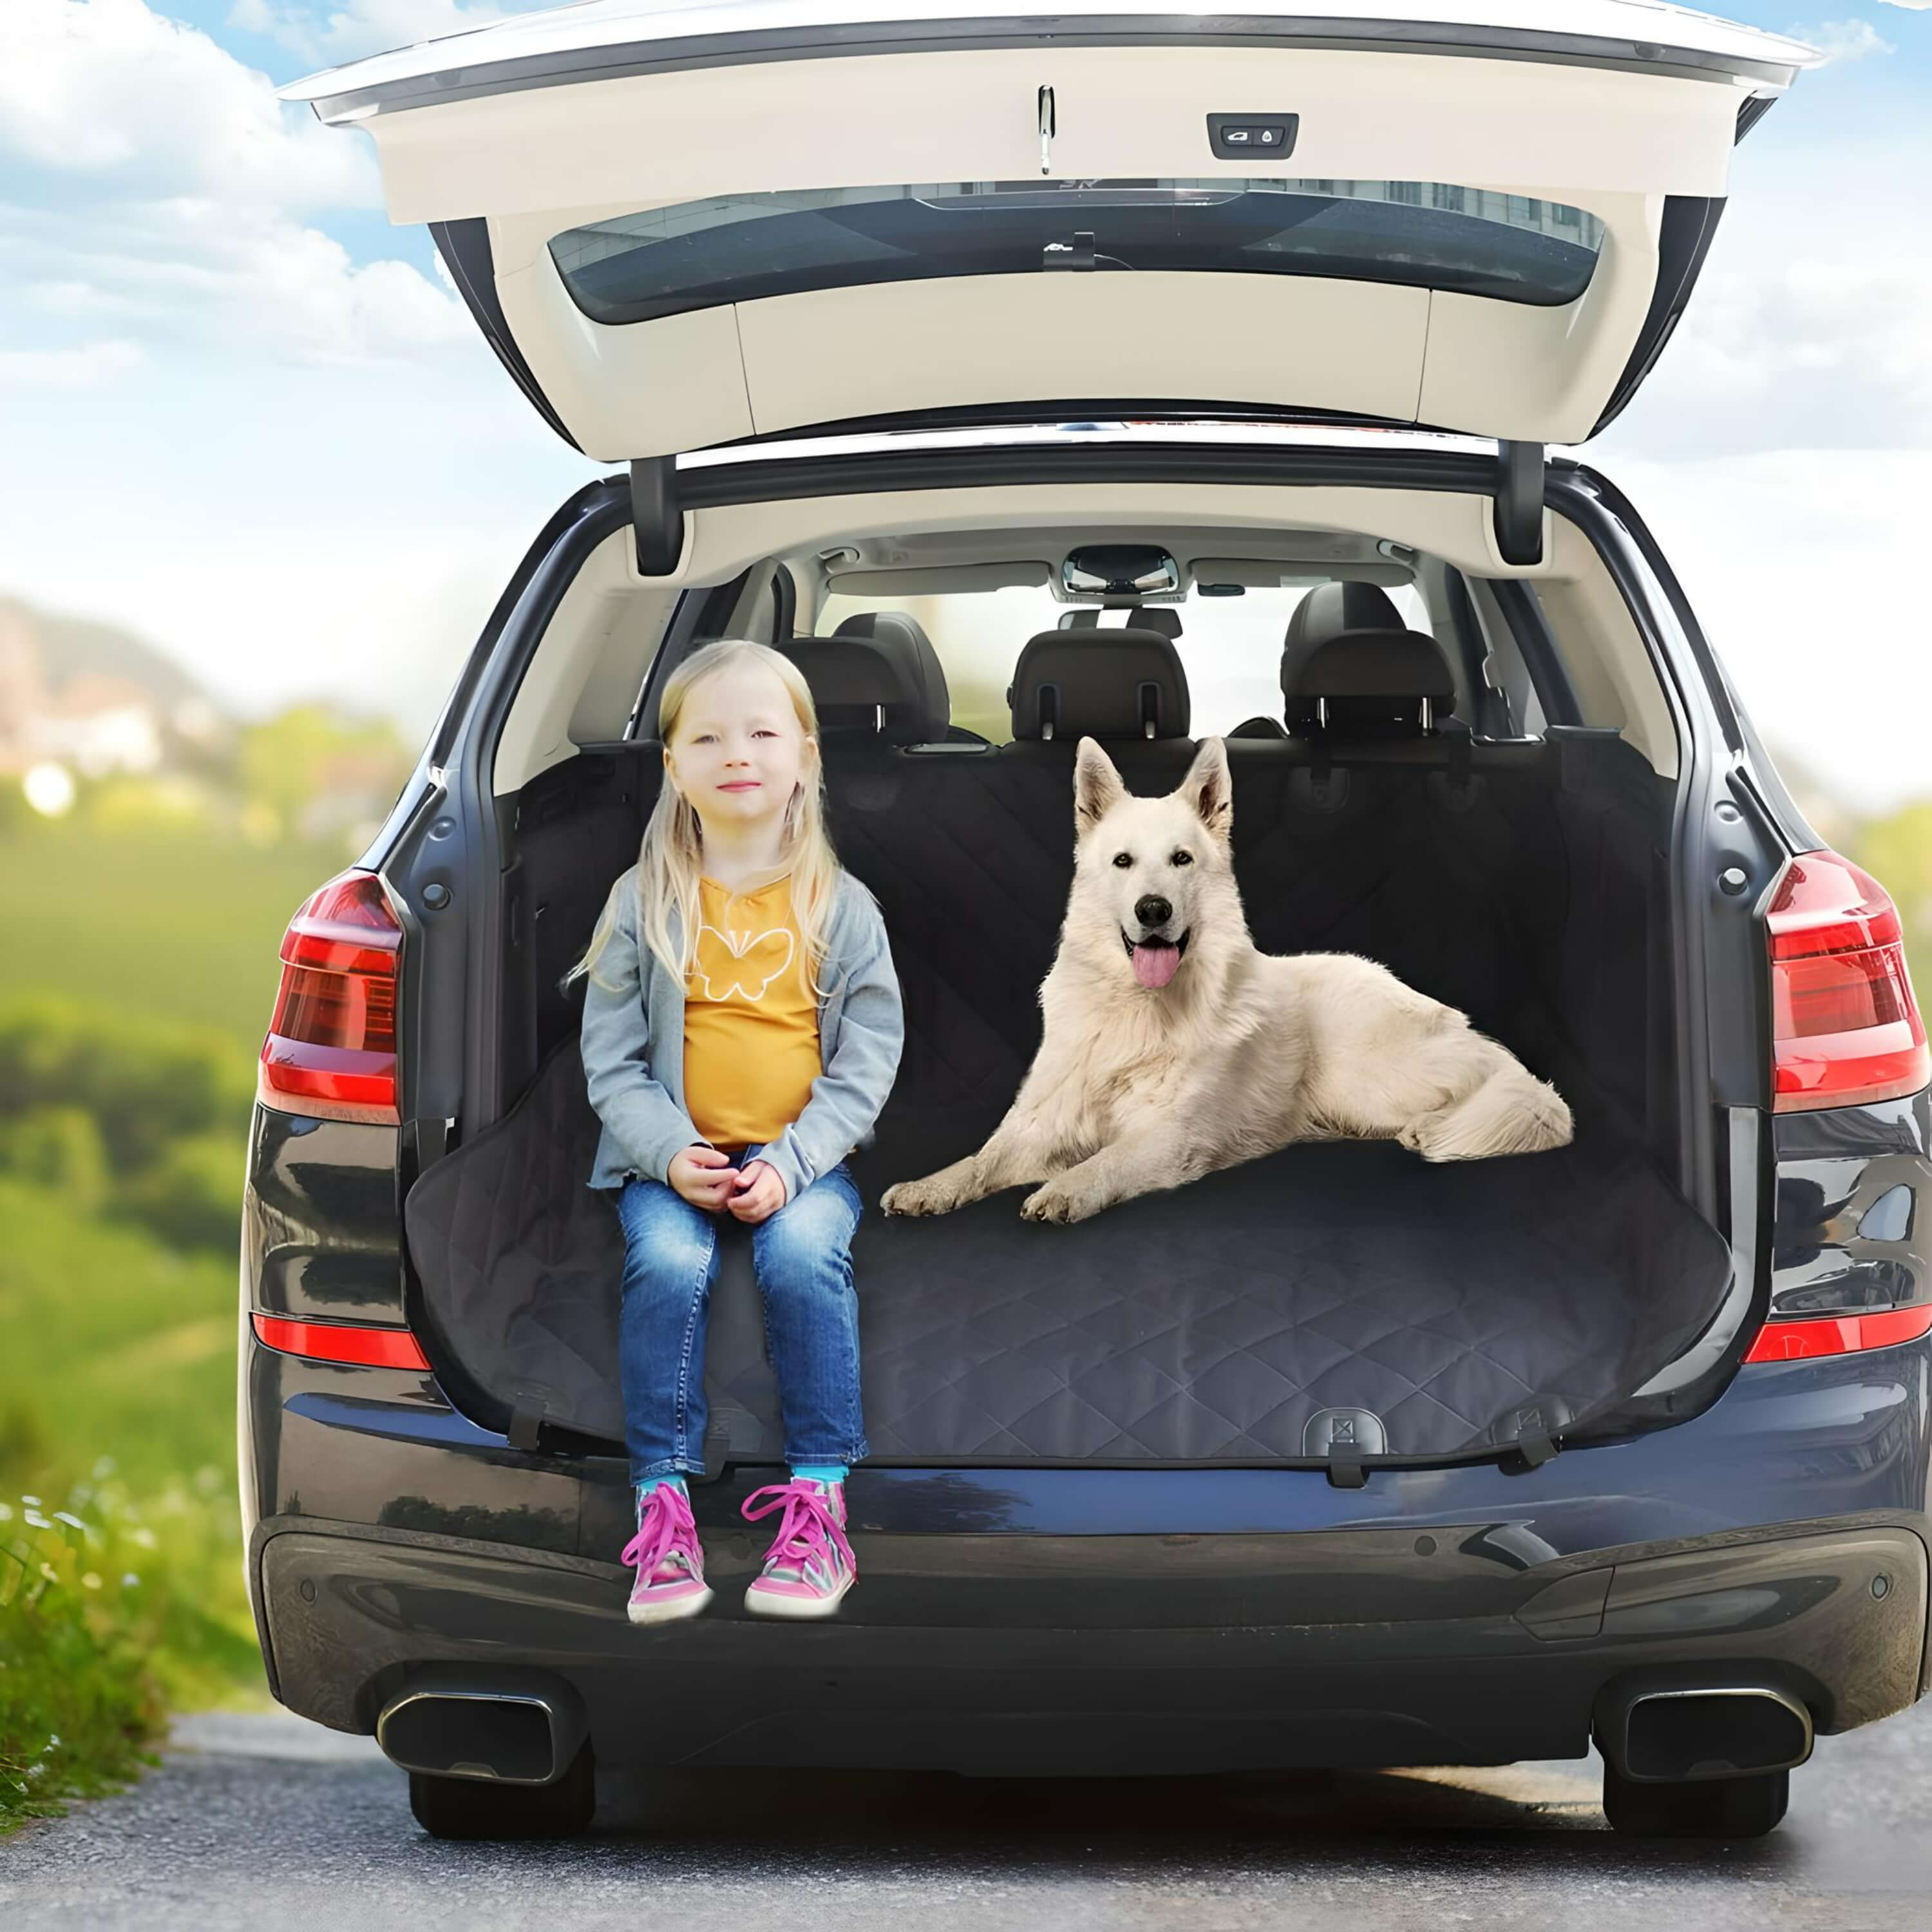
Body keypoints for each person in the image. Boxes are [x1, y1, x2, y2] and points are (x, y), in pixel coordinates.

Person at [571, 637, 903, 1622]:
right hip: (666, 1160)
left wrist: (795, 1167)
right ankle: (662, 1509)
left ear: (805, 754)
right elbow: (611, 1063)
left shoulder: (842, 909)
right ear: (673, 767)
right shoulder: (644, 903)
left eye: (763, 732)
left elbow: (866, 1063)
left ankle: (819, 1509)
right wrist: (670, 1156)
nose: (737, 753)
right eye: (707, 737)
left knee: (803, 1261)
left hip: (799, 1163)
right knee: (669, 1268)